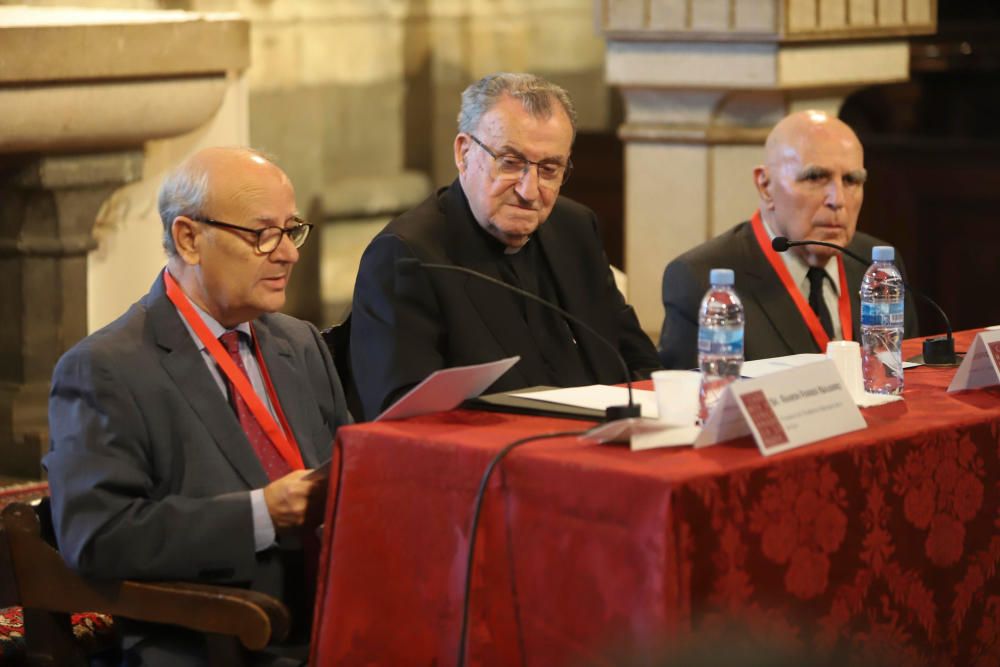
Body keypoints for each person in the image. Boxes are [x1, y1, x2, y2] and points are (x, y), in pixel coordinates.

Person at [44, 147, 351, 665]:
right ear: (189, 239)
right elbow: (97, 538)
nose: (288, 254)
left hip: (334, 612)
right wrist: (261, 515)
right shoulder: (105, 368)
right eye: (262, 235)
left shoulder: (298, 342)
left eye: (291, 229)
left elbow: (345, 470)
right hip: (212, 637)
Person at [350, 72, 660, 420]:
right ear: (464, 153)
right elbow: (402, 419)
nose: (530, 191)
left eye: (549, 169)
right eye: (511, 163)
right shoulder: (407, 256)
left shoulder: (574, 229)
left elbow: (641, 363)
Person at [658, 110, 918, 369]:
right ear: (765, 186)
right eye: (816, 177)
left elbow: (907, 378)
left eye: (851, 180)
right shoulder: (698, 278)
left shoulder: (878, 266)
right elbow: (694, 401)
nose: (838, 200)